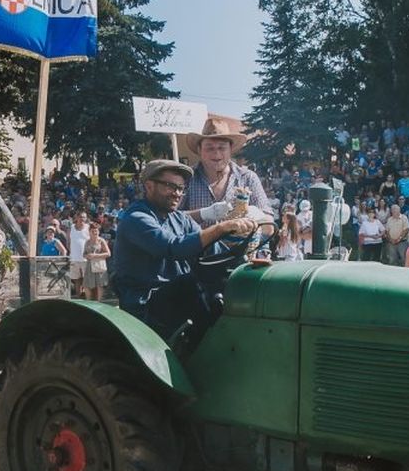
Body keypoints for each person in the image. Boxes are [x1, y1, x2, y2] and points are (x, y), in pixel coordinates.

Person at [111, 159, 256, 327]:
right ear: (149, 186)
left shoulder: (179, 219)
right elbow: (174, 247)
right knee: (194, 284)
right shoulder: (136, 219)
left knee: (223, 282)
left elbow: (213, 250)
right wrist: (220, 228)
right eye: (170, 186)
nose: (177, 193)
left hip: (177, 297)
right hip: (147, 303)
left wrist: (246, 264)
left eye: (180, 188)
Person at [181, 118, 272, 224]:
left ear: (230, 149)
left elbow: (269, 224)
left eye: (222, 148)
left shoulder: (248, 178)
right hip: (197, 240)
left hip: (240, 240)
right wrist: (203, 214)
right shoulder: (185, 178)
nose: (216, 154)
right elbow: (169, 219)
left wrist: (257, 216)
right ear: (199, 150)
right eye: (209, 148)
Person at [81, 220, 110, 301]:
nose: (94, 232)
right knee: (86, 285)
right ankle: (88, 301)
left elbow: (108, 253)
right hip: (90, 266)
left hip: (99, 266)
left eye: (96, 231)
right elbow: (84, 254)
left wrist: (95, 256)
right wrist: (87, 256)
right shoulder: (87, 242)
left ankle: (99, 302)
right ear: (89, 232)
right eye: (93, 231)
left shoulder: (101, 241)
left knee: (100, 285)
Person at [67, 210, 90, 296]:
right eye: (80, 217)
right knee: (77, 280)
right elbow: (68, 242)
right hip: (74, 258)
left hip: (85, 258)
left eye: (84, 217)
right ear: (76, 218)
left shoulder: (88, 228)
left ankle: (88, 297)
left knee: (86, 279)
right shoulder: (71, 228)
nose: (82, 219)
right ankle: (78, 296)